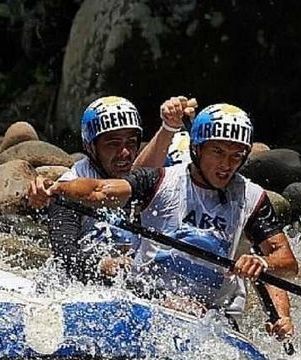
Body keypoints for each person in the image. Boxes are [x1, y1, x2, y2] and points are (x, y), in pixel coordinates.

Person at [29, 104, 296, 340]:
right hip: (149, 302)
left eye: (236, 155)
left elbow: (285, 262)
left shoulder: (252, 197)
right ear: (197, 149)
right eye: (218, 152)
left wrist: (267, 277)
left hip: (213, 316)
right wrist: (56, 189)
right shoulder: (157, 181)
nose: (226, 164)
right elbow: (99, 190)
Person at [29, 96, 197, 284]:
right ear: (90, 147)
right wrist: (102, 265)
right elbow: (64, 255)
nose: (124, 153)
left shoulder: (142, 180)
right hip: (86, 283)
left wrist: (170, 126)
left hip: (135, 281)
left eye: (131, 143)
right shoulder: (69, 186)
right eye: (113, 144)